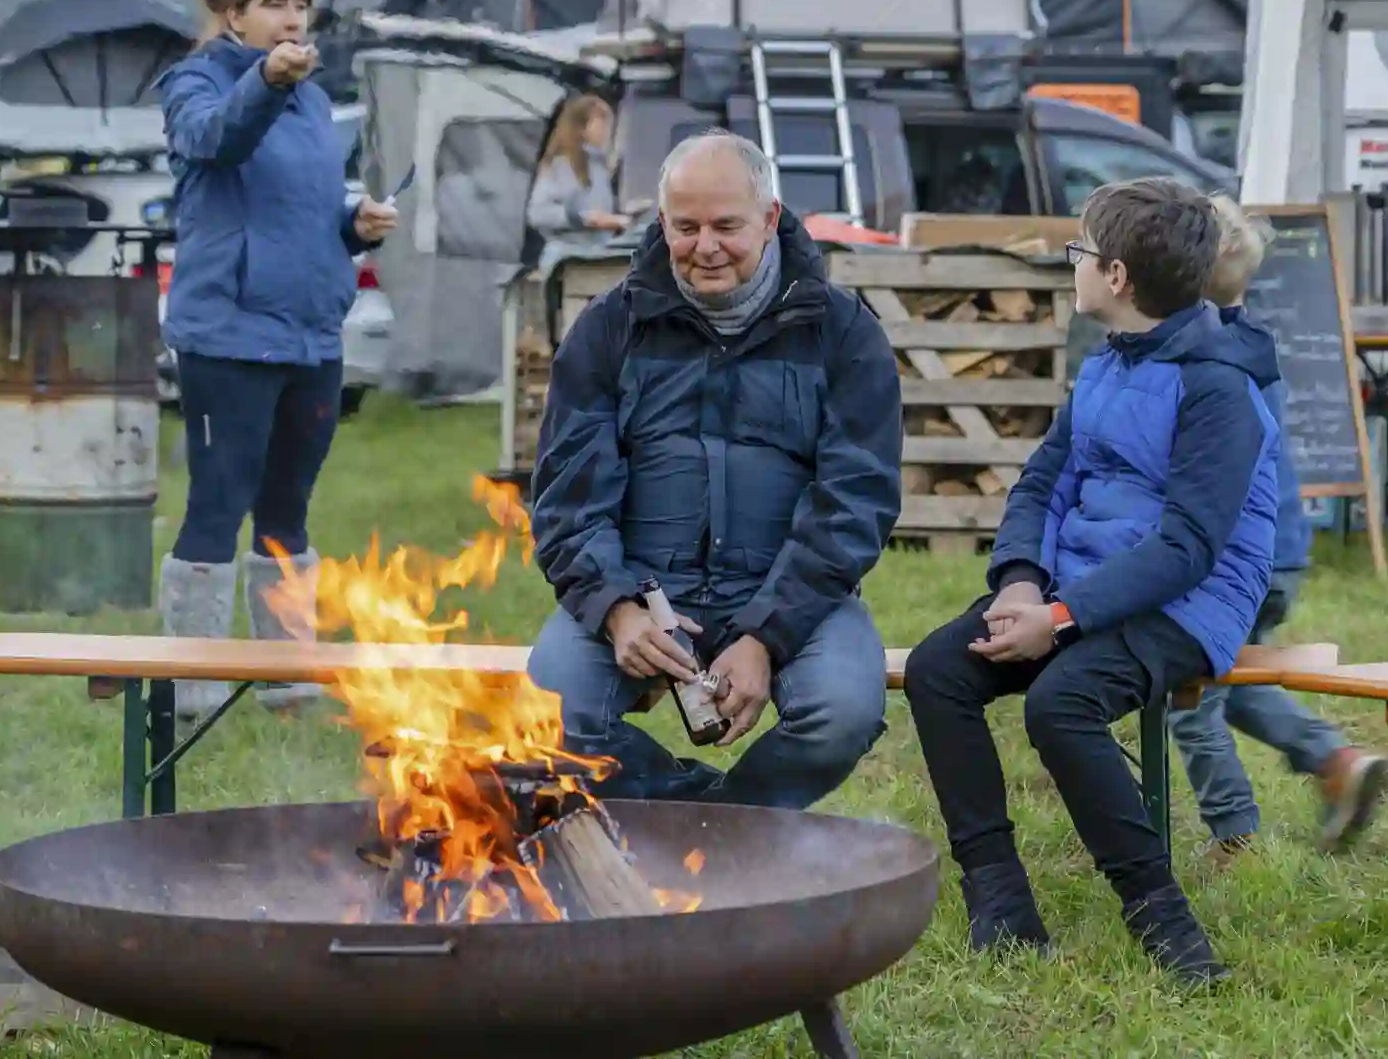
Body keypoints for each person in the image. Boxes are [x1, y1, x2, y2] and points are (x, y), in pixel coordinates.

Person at [902, 177, 1280, 985]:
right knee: (938, 670)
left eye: (1078, 252)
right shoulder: (1109, 362)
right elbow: (1043, 482)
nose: (1068, 264)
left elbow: (1188, 547)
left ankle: (1164, 923)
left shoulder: (1220, 385)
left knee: (1058, 702)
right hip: (1077, 583)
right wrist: (1018, 582)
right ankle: (1001, 904)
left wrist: (1063, 617)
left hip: (1192, 600)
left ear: (1115, 277)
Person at [526, 132, 903, 810]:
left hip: (792, 589)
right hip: (642, 591)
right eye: (685, 226)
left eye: (726, 225)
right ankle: (694, 811)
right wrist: (614, 609)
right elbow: (567, 496)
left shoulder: (844, 333)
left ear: (770, 216)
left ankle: (731, 822)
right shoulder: (609, 328)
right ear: (661, 222)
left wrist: (767, 635)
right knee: (548, 707)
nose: (705, 246)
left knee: (841, 713)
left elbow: (856, 500)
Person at [153, 0, 400, 720]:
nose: (295, 18)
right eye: (275, 4)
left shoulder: (313, 99)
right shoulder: (196, 81)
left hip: (310, 336)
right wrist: (265, 81)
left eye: (302, 5)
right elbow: (215, 141)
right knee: (219, 500)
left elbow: (299, 210)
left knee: (288, 505)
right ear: (233, 15)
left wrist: (354, 226)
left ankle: (286, 670)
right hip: (227, 334)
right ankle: (191, 679)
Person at [1166, 197, 1388, 867]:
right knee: (1230, 680)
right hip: (1278, 552)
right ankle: (1337, 762)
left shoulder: (1203, 366)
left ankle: (1232, 831)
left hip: (1228, 558)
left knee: (1190, 697)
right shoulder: (1250, 344)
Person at [526, 94, 632, 268]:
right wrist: (582, 219)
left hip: (597, 257)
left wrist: (624, 214)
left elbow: (600, 209)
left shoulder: (599, 166)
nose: (607, 131)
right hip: (565, 260)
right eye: (602, 124)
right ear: (581, 127)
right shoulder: (559, 166)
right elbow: (538, 213)